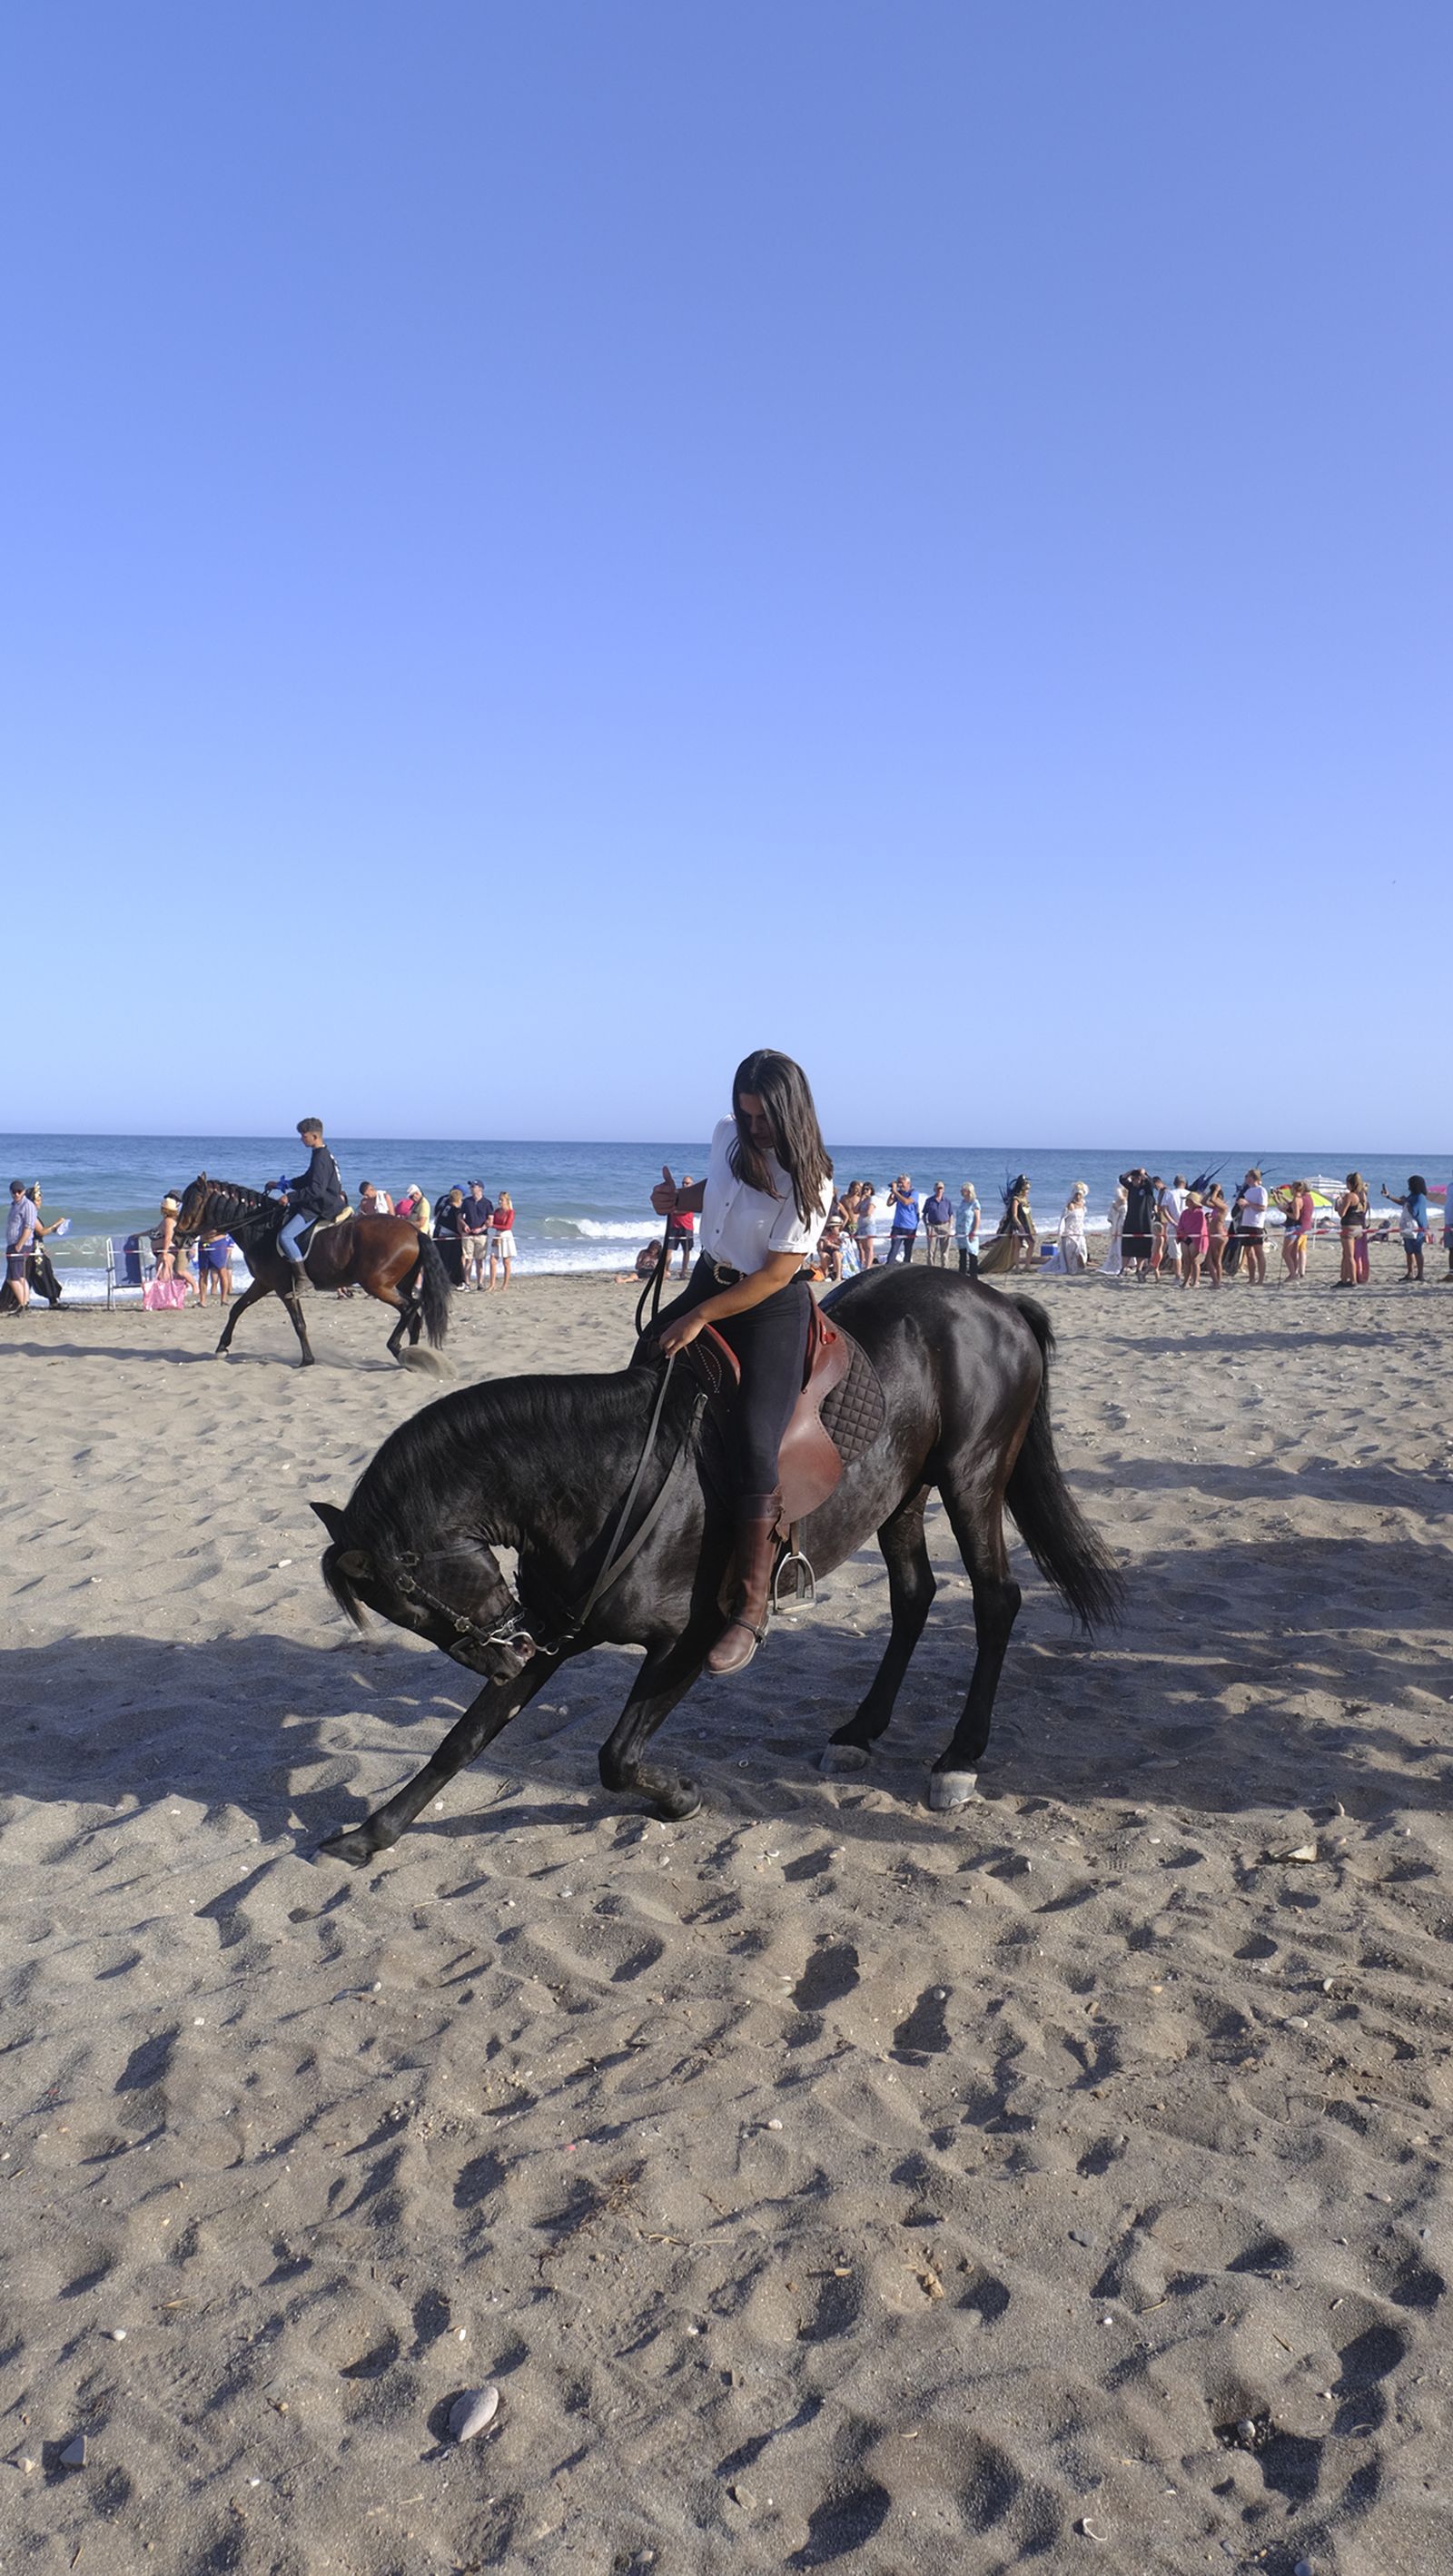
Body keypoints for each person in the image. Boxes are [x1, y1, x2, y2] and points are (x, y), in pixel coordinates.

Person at [650, 1049, 834, 1676]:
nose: (753, 1126)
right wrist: (679, 1196)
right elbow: (719, 1188)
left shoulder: (812, 1178)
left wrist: (700, 1316)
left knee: (758, 1441)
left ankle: (752, 1607)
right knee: (645, 1360)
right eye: (746, 1113)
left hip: (767, 1305)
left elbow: (778, 1272)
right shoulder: (727, 1136)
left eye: (763, 1117)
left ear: (790, 1110)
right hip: (710, 1276)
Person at [275, 1120, 347, 1286]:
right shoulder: (321, 1153)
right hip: (323, 1201)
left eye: (303, 1135)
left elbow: (317, 1190)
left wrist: (290, 1197)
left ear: (314, 1136)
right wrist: (285, 1184)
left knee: (285, 1236)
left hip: (321, 1206)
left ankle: (302, 1278)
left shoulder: (321, 1157)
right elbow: (308, 1178)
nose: (301, 1139)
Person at [1383, 1174, 1428, 1281]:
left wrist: (1407, 1203)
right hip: (1408, 1227)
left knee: (1417, 1251)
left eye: (1410, 1185)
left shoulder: (1420, 1197)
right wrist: (1388, 1196)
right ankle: (1410, 1273)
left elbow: (1416, 1211)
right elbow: (1402, 1203)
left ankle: (1420, 1275)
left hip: (1418, 1228)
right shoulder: (1412, 1195)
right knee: (1408, 1251)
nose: (1408, 1187)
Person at [5, 1179, 39, 1313]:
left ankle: (23, 1305)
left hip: (21, 1246)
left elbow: (29, 1227)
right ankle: (25, 1304)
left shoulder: (27, 1205)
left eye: (19, 1192)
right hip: (12, 1244)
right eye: (14, 1192)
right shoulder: (14, 1205)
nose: (16, 1194)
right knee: (20, 1277)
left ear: (24, 1191)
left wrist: (19, 1244)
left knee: (12, 1278)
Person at [1119, 1170, 1156, 1280]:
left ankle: (1139, 1269)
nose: (1134, 1181)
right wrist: (1131, 1171)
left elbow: (1151, 1183)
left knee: (1142, 1247)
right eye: (1133, 1179)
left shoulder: (1147, 1189)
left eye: (1136, 1179)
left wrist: (1142, 1173)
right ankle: (1123, 1268)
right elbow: (1122, 1179)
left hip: (1144, 1222)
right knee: (1127, 1245)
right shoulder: (1131, 1188)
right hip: (1130, 1220)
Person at [459, 1180, 493, 1288]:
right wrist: (464, 1225)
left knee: (479, 1260)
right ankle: (467, 1283)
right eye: (471, 1187)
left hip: (481, 1235)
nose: (472, 1188)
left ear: (480, 1189)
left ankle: (480, 1283)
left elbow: (490, 1220)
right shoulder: (466, 1202)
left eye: (474, 1187)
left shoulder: (487, 1203)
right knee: (468, 1260)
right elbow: (460, 1216)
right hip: (468, 1235)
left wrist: (481, 1228)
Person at [1336, 1173, 1369, 1288]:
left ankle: (1353, 1280)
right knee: (1346, 1255)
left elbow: (1341, 1213)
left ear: (1350, 1184)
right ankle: (1343, 1279)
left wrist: (1339, 1202)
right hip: (1358, 1227)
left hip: (1349, 1226)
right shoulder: (1362, 1195)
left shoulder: (1350, 1196)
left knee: (1349, 1256)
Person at [1238, 1168, 1269, 1284]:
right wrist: (1242, 1205)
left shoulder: (1261, 1190)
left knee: (1258, 1252)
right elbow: (1247, 1206)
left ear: (1252, 1177)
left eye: (1248, 1176)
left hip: (1256, 1224)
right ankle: (1251, 1278)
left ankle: (1260, 1279)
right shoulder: (1248, 1191)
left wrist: (1248, 1204)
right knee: (1248, 1252)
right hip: (1246, 1222)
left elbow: (1263, 1207)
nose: (1246, 1178)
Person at [1051, 1183, 1090, 1274]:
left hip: (1079, 1232)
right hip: (1069, 1233)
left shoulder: (1083, 1206)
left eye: (1080, 1195)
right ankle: (1072, 1269)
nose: (1079, 1196)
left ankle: (1081, 1267)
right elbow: (1063, 1219)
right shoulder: (1070, 1206)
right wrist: (1061, 1231)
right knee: (1071, 1253)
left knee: (1082, 1251)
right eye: (1077, 1194)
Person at [664, 1177, 697, 1279]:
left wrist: (674, 1210)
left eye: (687, 1183)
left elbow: (687, 1209)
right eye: (683, 1183)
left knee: (686, 1250)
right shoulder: (677, 1194)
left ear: (691, 1184)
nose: (684, 1185)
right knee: (669, 1249)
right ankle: (666, 1270)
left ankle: (683, 1271)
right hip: (674, 1226)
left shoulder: (692, 1196)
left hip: (686, 1226)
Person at [1176, 1189, 1209, 1288]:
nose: (1186, 1202)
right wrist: (1182, 1233)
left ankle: (1196, 1281)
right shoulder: (1185, 1213)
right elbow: (1180, 1225)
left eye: (1188, 1200)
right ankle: (1186, 1281)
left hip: (1194, 1238)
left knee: (1194, 1260)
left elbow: (1201, 1228)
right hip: (1185, 1238)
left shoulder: (1200, 1213)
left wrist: (1189, 1233)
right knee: (1186, 1260)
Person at [434, 1188, 467, 1288]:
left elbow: (437, 1217)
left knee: (443, 1259)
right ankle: (455, 1281)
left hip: (440, 1233)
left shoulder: (445, 1205)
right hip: (449, 1235)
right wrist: (462, 1234)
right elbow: (457, 1225)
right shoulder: (456, 1210)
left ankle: (444, 1280)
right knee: (454, 1260)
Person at [885, 1175, 919, 1264]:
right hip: (897, 1226)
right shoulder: (898, 1193)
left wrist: (896, 1192)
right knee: (893, 1250)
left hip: (910, 1227)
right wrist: (893, 1193)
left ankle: (906, 1270)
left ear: (908, 1183)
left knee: (908, 1251)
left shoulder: (914, 1193)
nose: (900, 1185)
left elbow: (906, 1202)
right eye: (898, 1183)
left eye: (901, 1183)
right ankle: (889, 1267)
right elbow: (888, 1204)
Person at [197, 1229, 235, 1305]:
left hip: (218, 1242)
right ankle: (202, 1301)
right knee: (202, 1273)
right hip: (203, 1242)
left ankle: (223, 1300)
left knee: (222, 1271)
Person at [922, 1180, 953, 1268]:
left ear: (943, 1190)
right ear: (934, 1189)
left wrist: (950, 1226)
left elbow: (951, 1215)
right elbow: (924, 1214)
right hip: (932, 1227)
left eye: (941, 1188)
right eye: (938, 1188)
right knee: (931, 1251)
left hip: (945, 1226)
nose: (939, 1190)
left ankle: (945, 1269)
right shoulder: (929, 1201)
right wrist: (926, 1225)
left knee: (945, 1252)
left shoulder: (947, 1201)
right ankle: (931, 1268)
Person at [1204, 1184, 1230, 1288]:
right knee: (1208, 1260)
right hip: (1213, 1235)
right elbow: (1203, 1202)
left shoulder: (1223, 1207)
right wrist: (1211, 1192)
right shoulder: (1215, 1208)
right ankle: (1216, 1281)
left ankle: (1217, 1282)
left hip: (1219, 1235)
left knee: (1217, 1260)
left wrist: (1217, 1190)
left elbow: (1213, 1199)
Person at [489, 1191, 516, 1288]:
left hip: (506, 1235)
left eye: (502, 1200)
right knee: (492, 1260)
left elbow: (508, 1226)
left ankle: (505, 1284)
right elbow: (493, 1222)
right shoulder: (497, 1211)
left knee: (506, 1261)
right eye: (499, 1200)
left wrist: (493, 1225)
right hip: (497, 1234)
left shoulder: (510, 1212)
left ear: (507, 1201)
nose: (500, 1202)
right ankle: (492, 1284)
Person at [1101, 1184, 1126, 1278]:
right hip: (1119, 1223)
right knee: (1118, 1244)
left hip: (1123, 1223)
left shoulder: (1124, 1201)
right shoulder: (1118, 1202)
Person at [955, 1182, 981, 1278]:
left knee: (972, 1254)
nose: (961, 1192)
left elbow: (977, 1218)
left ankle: (973, 1275)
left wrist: (973, 1231)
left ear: (968, 1191)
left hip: (970, 1232)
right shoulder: (963, 1202)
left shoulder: (974, 1203)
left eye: (963, 1190)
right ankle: (962, 1275)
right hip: (961, 1232)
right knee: (962, 1254)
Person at [854, 1182, 878, 1268]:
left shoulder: (872, 1199)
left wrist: (861, 1212)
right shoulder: (864, 1200)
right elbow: (855, 1210)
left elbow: (868, 1212)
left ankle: (868, 1266)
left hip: (869, 1225)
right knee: (863, 1247)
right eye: (864, 1189)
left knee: (869, 1247)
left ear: (871, 1190)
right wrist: (861, 1200)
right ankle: (864, 1264)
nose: (865, 1191)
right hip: (861, 1225)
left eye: (867, 1189)